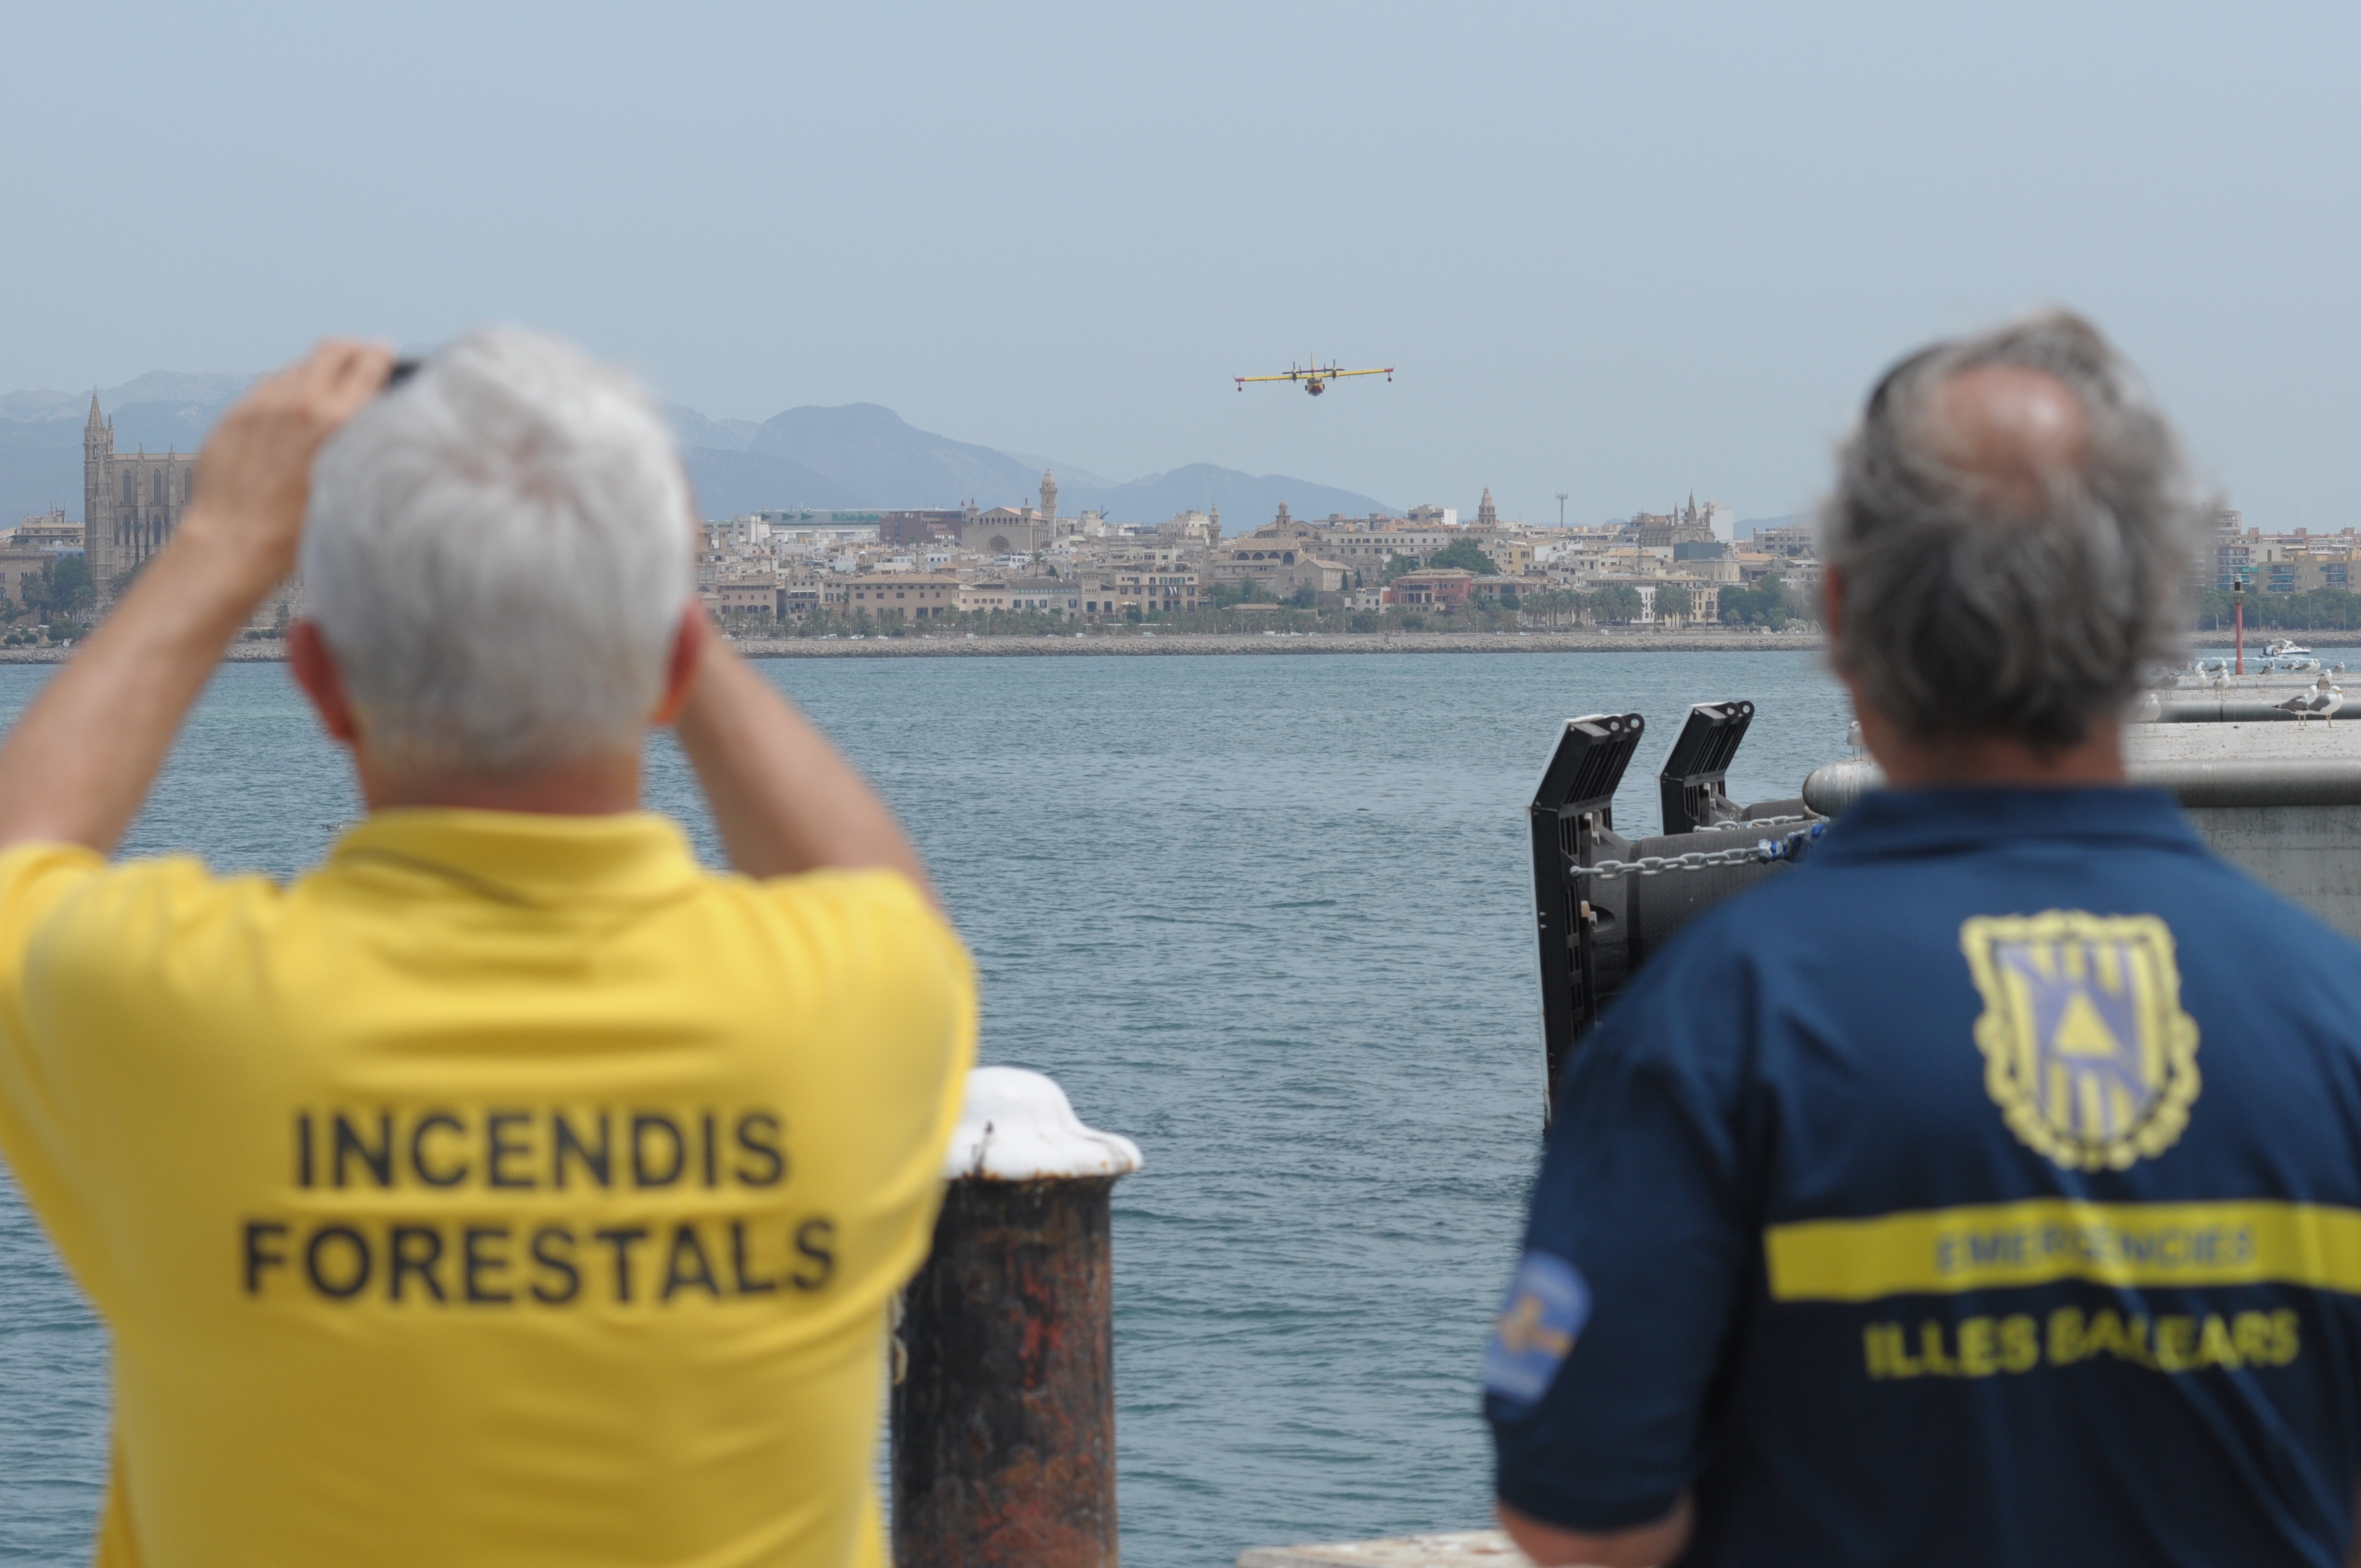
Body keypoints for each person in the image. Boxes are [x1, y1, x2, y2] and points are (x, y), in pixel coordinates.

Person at [0, 331, 975, 1566]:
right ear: (671, 661)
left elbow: (20, 849)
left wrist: (218, 547)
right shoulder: (855, 1007)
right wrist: (635, 587)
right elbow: (883, 897)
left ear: (317, 680)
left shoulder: (167, 1009)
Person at [1486, 312, 2361, 1566]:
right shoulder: (2326, 1015)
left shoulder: (1710, 1033)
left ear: (1839, 615)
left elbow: (1577, 1513)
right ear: (2149, 612)